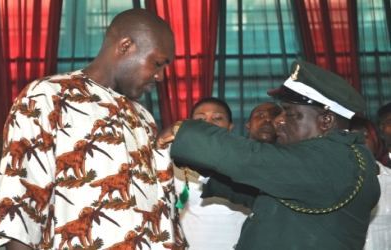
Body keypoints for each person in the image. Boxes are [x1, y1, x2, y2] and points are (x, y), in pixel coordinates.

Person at [0, 9, 187, 250]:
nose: (160, 76)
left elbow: (158, 207)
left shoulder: (143, 117)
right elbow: (20, 205)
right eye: (157, 63)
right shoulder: (47, 96)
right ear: (125, 46)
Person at [155, 60, 380, 249]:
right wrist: (206, 172)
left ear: (326, 121)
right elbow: (268, 196)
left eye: (289, 113)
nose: (278, 120)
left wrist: (184, 130)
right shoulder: (331, 158)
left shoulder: (339, 160)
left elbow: (252, 159)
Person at [173, 97, 251, 250]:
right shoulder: (176, 164)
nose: (207, 122)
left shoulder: (247, 162)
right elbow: (175, 207)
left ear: (230, 126)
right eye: (200, 118)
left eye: (217, 118)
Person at [349, 117, 391, 250]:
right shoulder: (336, 181)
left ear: (376, 141)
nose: (357, 142)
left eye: (364, 137)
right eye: (351, 138)